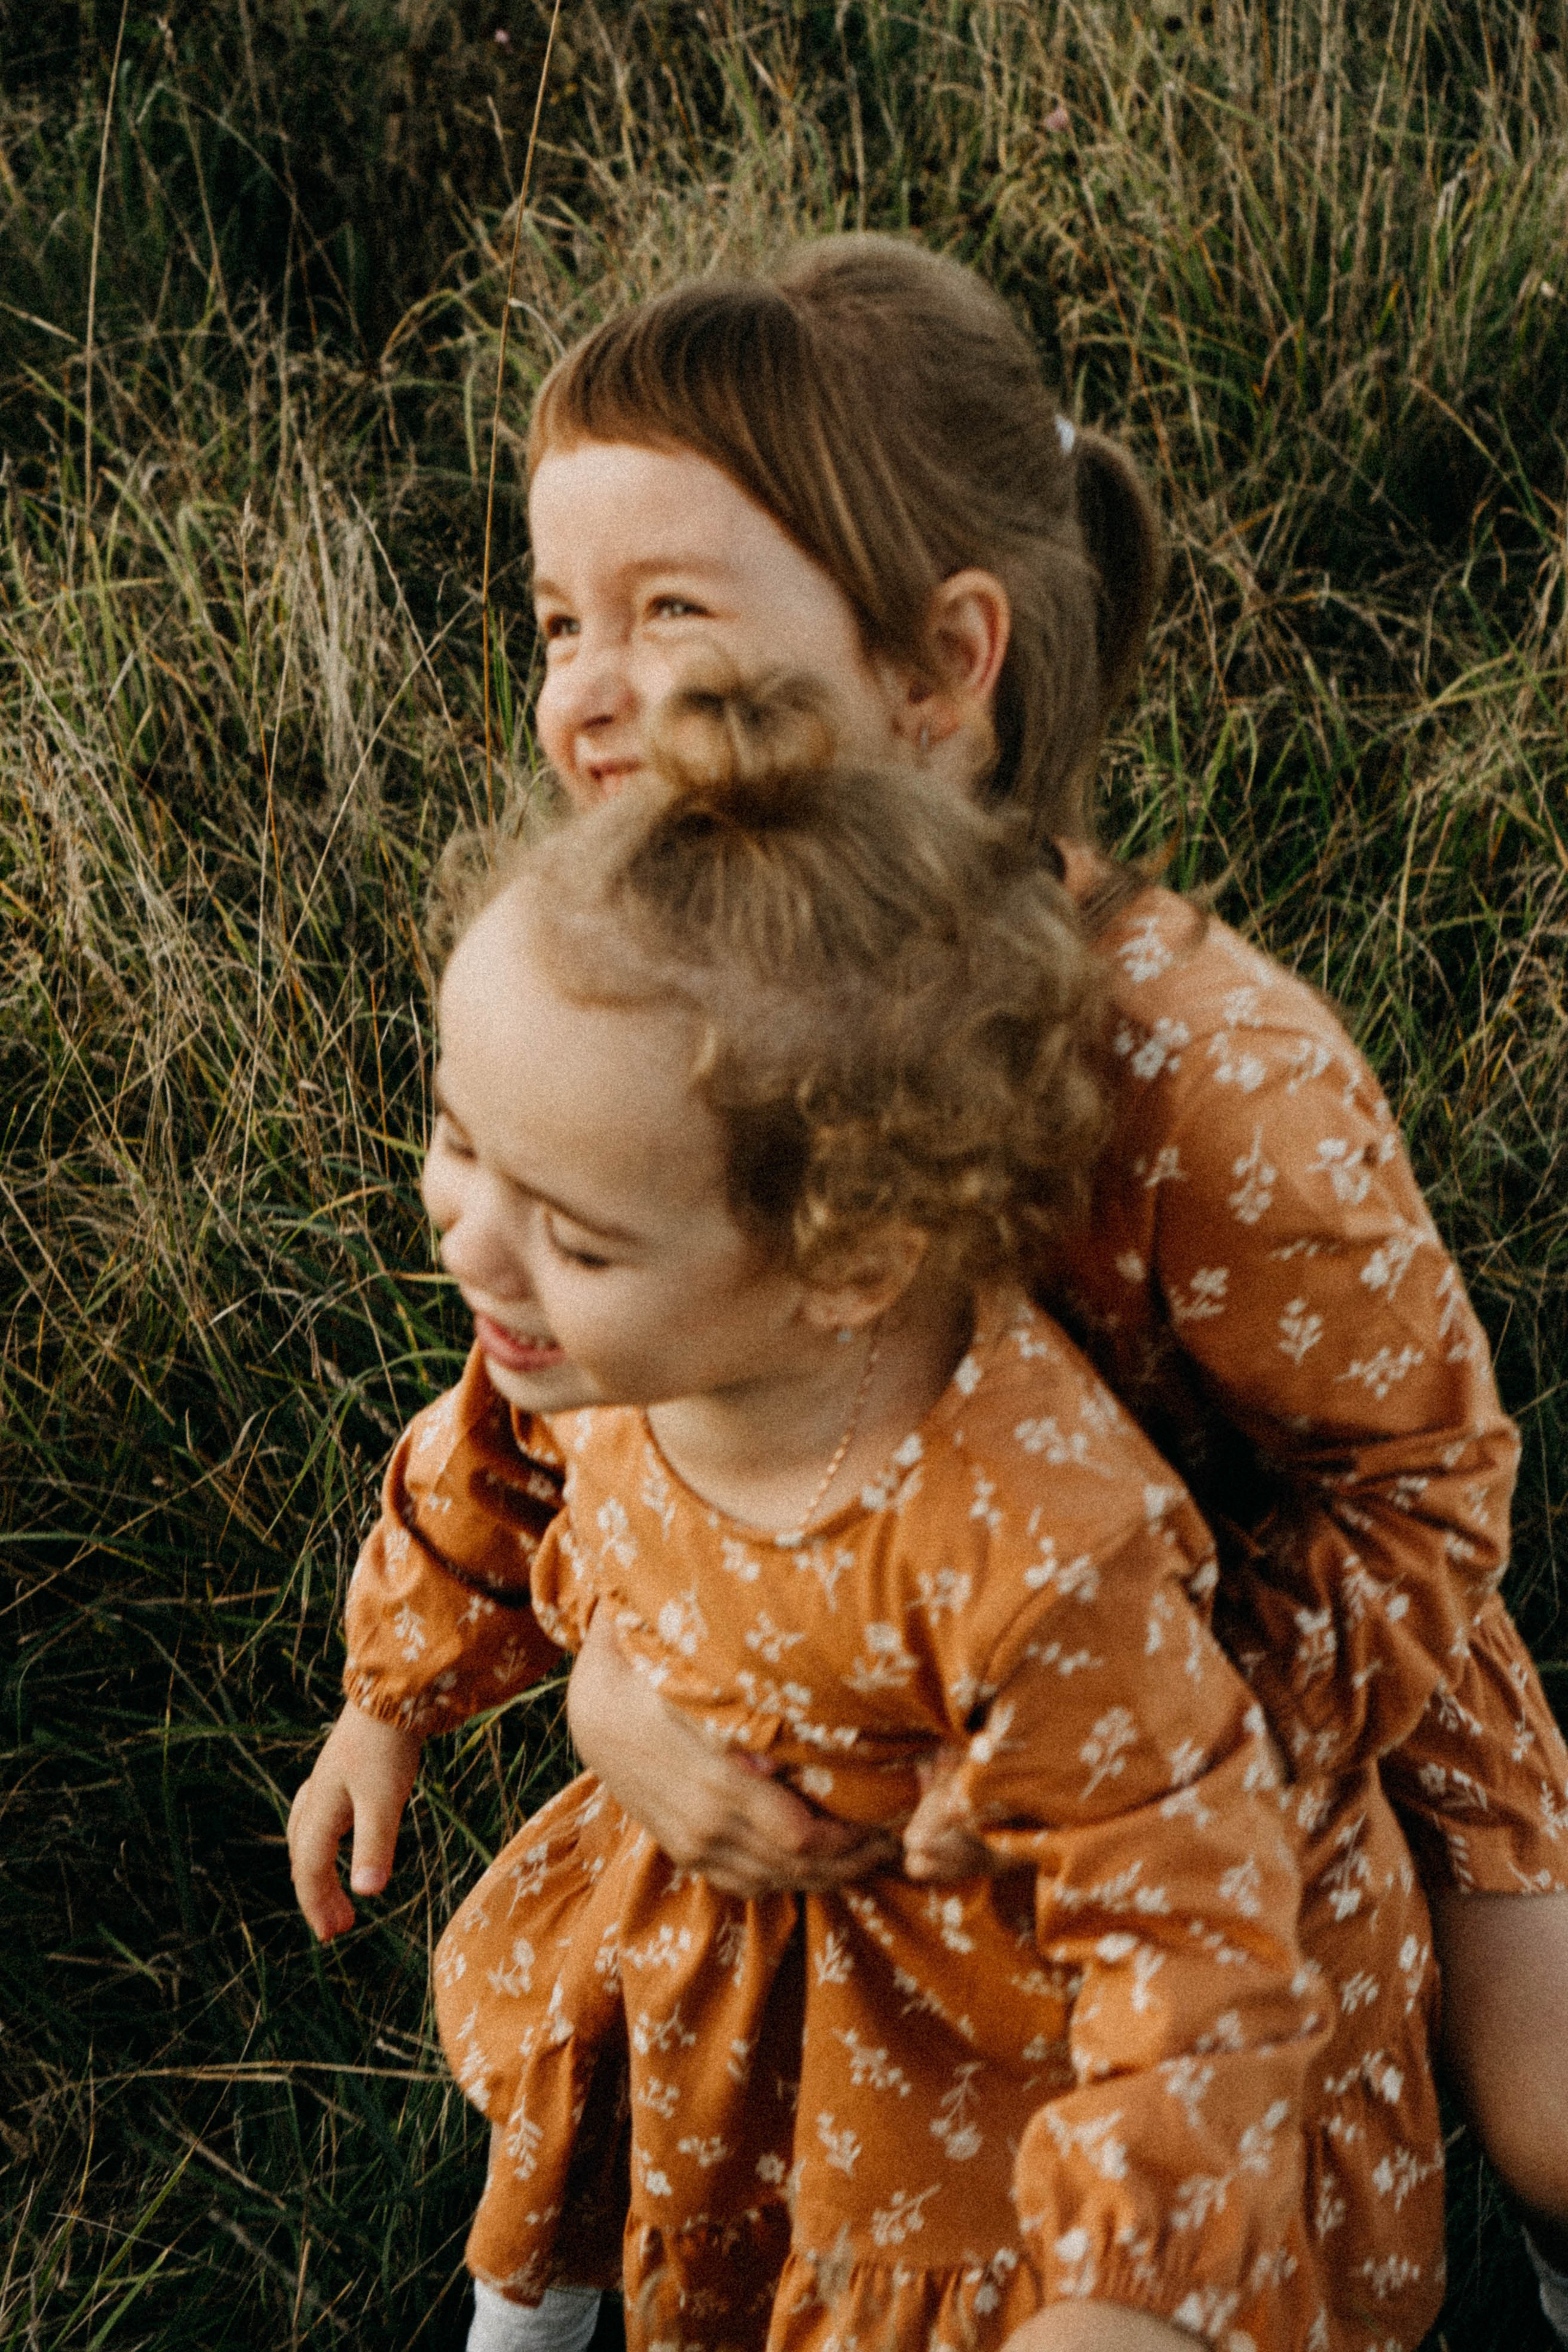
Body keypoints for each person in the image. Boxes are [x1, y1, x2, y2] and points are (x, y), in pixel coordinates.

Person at [507, 236, 1568, 2331]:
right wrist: (608, 1686)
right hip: (851, 1658)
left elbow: (1425, 1495)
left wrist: (1120, 1763)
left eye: (670, 615)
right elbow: (588, 1370)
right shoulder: (647, 997)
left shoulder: (1208, 1082)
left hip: (1227, 1704)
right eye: (555, 621)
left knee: (1548, 2117)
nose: (583, 694)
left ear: (941, 664)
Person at [290, 680, 1445, 2352]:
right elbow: (490, 1480)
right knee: (617, 2132)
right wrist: (386, 1707)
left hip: (955, 2043)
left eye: (575, 1232)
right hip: (712, 1910)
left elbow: (1186, 1923)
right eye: (461, 1145)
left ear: (846, 1265)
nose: (467, 1241)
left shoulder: (1033, 1549)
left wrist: (1130, 2288)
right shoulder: (601, 1350)